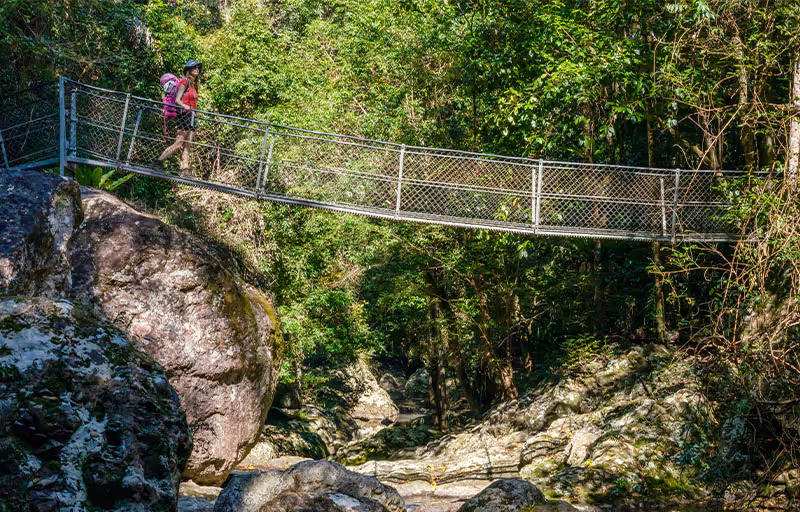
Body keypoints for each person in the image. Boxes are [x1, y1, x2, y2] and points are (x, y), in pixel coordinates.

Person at [153, 60, 203, 173]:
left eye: (198, 68)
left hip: (192, 116)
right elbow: (177, 100)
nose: (197, 69)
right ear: (188, 70)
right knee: (179, 143)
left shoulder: (194, 85)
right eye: (194, 68)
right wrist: (186, 106)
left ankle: (185, 169)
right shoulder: (184, 82)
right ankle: (158, 162)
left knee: (188, 145)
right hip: (184, 115)